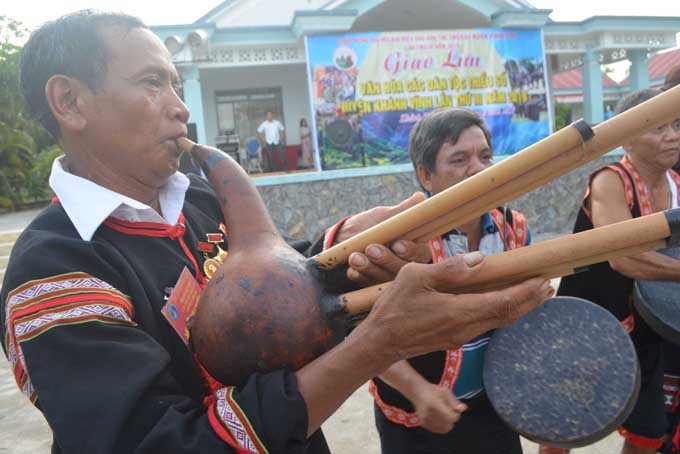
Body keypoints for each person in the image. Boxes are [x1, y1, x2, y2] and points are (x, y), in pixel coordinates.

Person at [0, 10, 552, 454]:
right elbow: (157, 442)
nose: (181, 108)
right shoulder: (53, 270)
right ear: (69, 102)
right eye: (151, 83)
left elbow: (286, 290)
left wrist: (344, 251)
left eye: (175, 82)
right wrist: (374, 344)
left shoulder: (201, 200)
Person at [356, 108, 532, 454]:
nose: (479, 169)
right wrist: (419, 390)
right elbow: (361, 332)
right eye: (458, 159)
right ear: (426, 175)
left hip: (493, 405)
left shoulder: (514, 228)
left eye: (485, 156)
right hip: (417, 414)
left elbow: (531, 308)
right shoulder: (400, 242)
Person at [541, 89, 680, 454]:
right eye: (658, 128)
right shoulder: (610, 180)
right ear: (627, 139)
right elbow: (624, 259)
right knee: (564, 426)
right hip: (589, 326)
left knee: (649, 432)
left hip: (647, 326)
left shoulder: (676, 186)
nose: (673, 136)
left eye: (676, 125)